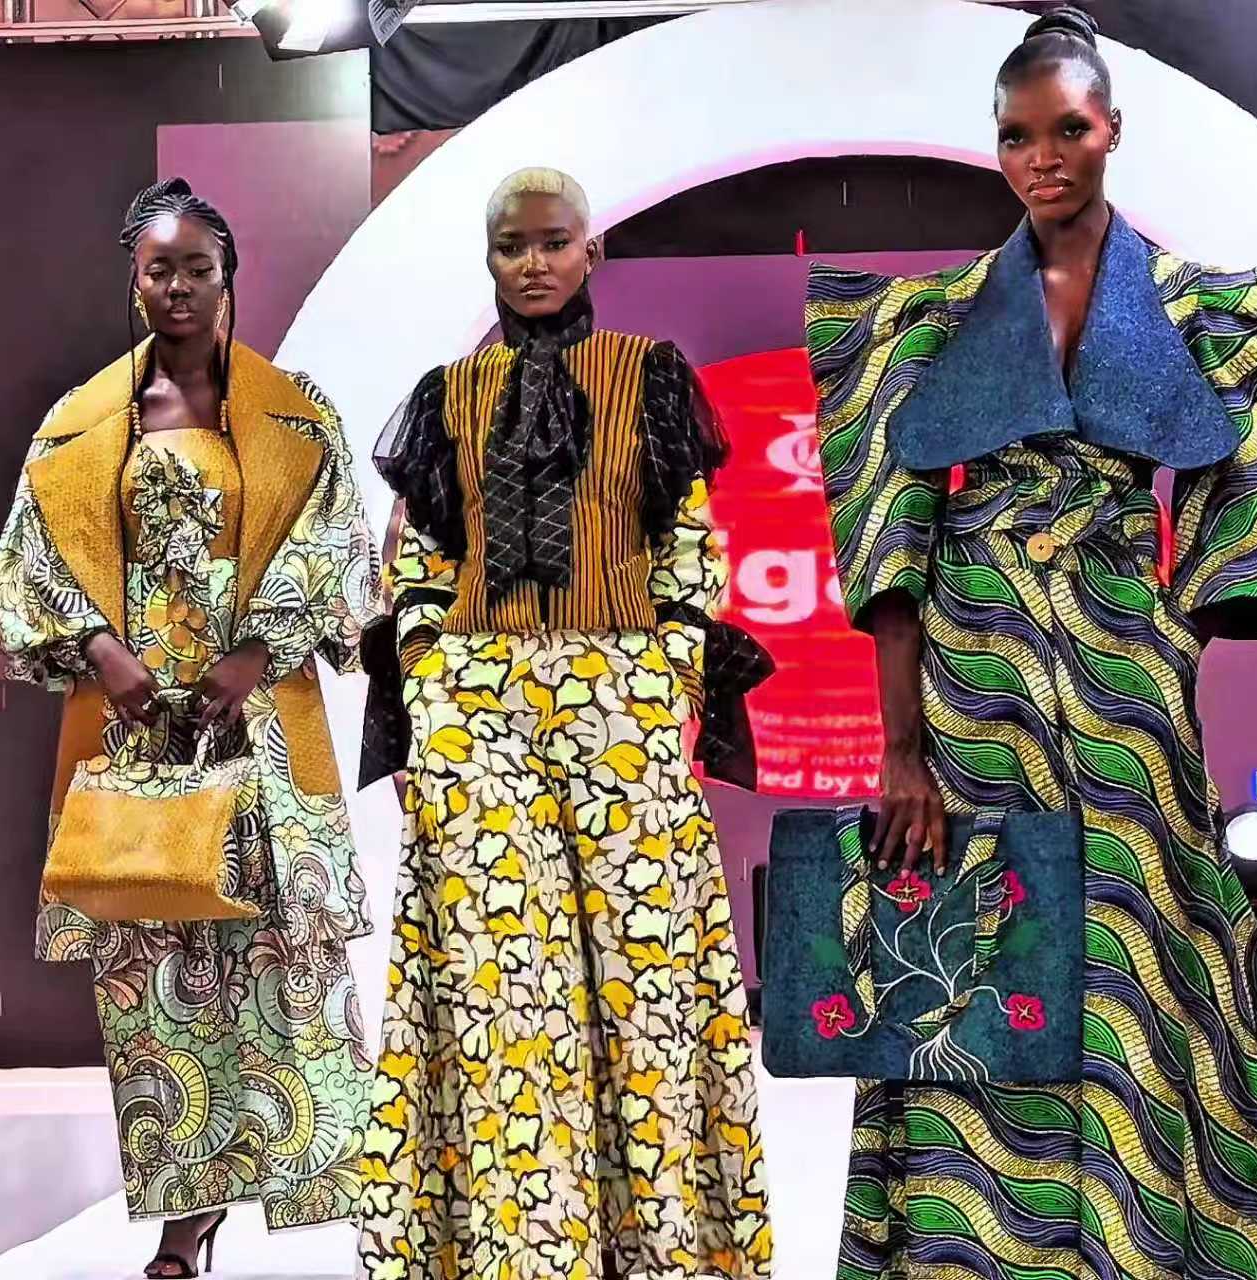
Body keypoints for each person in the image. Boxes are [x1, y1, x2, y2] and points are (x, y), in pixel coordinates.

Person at [806, 12, 1257, 1280]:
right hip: (974, 662)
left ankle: (1159, 1237)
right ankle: (978, 1249)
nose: (1043, 157)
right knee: (975, 955)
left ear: (1111, 127)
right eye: (1017, 136)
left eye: (1066, 128)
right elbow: (891, 547)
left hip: (1125, 657)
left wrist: (1185, 622)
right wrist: (899, 750)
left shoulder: (1187, 303)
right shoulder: (934, 317)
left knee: (1145, 942)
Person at [357, 167, 771, 1280]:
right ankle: (521, 1252)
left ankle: (664, 1253)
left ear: (593, 249)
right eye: (511, 246)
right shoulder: (449, 394)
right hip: (479, 702)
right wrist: (428, 675)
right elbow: (422, 560)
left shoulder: (649, 377)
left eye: (552, 241)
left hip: (622, 690)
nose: (532, 263)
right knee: (502, 984)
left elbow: (689, 540)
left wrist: (671, 669)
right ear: (488, 258)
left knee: (645, 979)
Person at [0, 177, 379, 1279]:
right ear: (134, 279)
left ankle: (354, 1205)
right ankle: (184, 1221)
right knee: (154, 979)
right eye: (158, 269)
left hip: (259, 723)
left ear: (227, 275)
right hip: (135, 732)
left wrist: (256, 652)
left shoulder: (294, 412)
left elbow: (334, 540)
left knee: (289, 962)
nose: (177, 288)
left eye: (196, 268)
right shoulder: (79, 426)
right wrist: (100, 648)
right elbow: (32, 558)